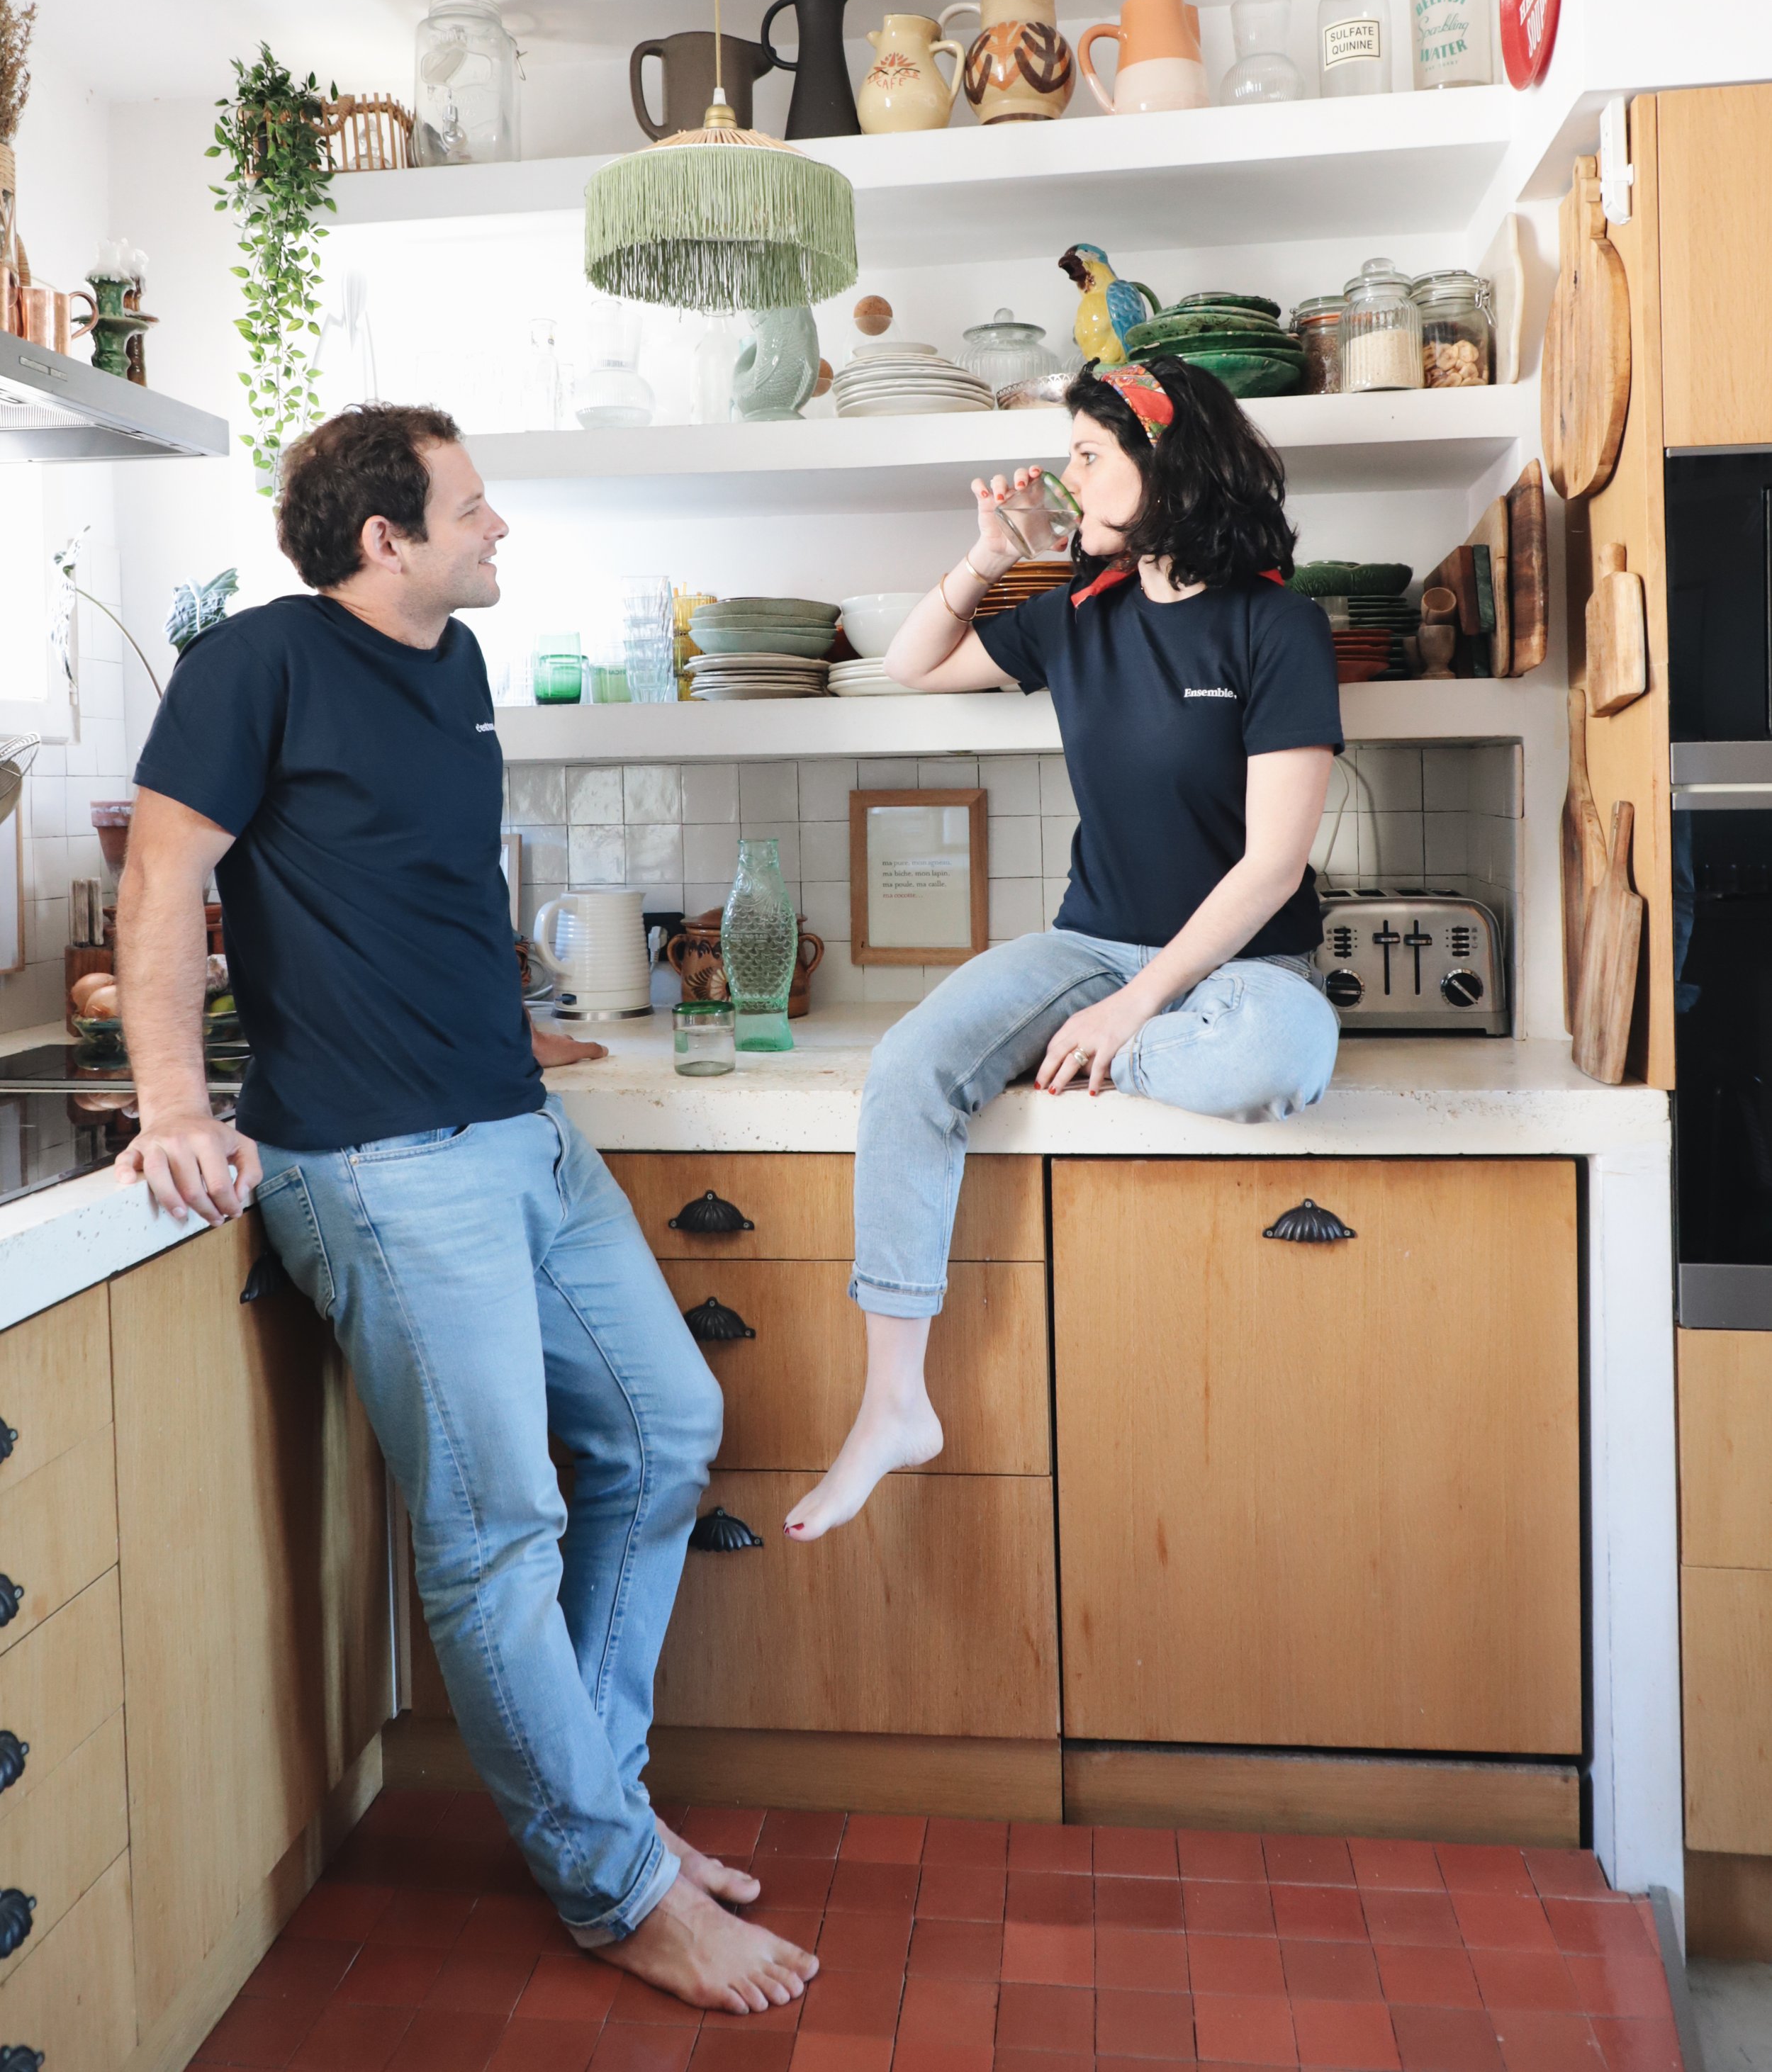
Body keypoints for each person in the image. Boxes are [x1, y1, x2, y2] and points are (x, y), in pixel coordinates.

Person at [113, 404, 819, 2015]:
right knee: (497, 1532)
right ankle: (616, 1887)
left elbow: (421, 881)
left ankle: (603, 1800)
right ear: (388, 538)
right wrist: (172, 1106)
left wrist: (504, 1021)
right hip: (380, 1164)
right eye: (474, 505)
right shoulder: (254, 663)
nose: (498, 527)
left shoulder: (454, 664)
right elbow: (161, 880)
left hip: (514, 1126)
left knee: (664, 1428)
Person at [784, 357, 1343, 1541]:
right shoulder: (1080, 615)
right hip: (1088, 943)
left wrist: (1128, 1014)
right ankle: (894, 1401)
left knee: (1279, 1054)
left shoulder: (1278, 624)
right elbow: (913, 664)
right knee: (912, 1064)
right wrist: (989, 555)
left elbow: (1271, 869)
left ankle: (1085, 1048)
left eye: (1090, 453)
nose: (1068, 474)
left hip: (1240, 972)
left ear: (1166, 464)